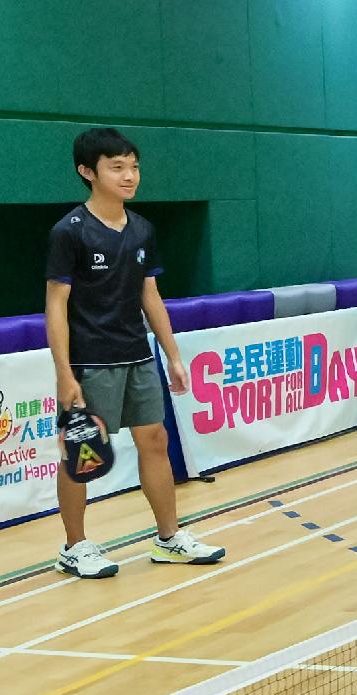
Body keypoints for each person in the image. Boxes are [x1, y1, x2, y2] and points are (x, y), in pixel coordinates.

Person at [45, 128, 229, 580]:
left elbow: (151, 296)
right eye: (117, 167)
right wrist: (65, 374)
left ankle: (169, 539)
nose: (130, 176)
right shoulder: (69, 233)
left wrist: (173, 355)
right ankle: (73, 546)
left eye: (134, 166)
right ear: (87, 172)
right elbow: (55, 305)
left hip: (137, 356)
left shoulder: (143, 228)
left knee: (155, 442)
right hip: (92, 362)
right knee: (82, 452)